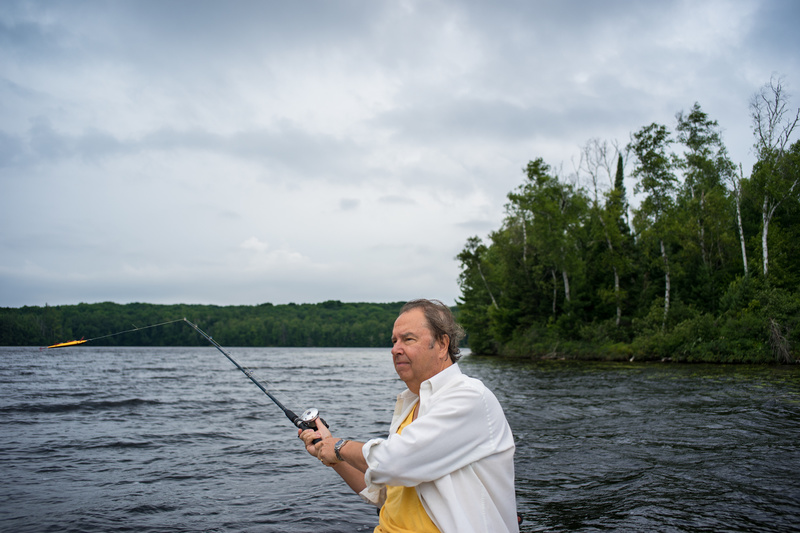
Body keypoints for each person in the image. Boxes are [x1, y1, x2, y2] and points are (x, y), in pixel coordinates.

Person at [299, 298, 518, 533]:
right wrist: (331, 455)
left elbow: (394, 462)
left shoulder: (469, 397)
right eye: (394, 341)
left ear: (443, 344)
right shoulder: (411, 404)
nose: (395, 349)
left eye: (408, 339)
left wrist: (339, 447)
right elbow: (385, 492)